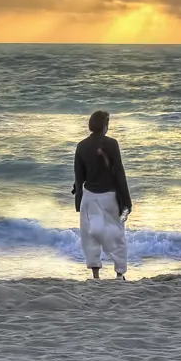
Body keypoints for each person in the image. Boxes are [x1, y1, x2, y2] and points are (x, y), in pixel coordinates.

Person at [72, 110, 132, 280]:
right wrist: (127, 202)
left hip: (90, 197)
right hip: (111, 198)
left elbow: (79, 177)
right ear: (105, 125)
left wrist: (78, 199)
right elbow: (119, 173)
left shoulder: (81, 146)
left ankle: (96, 275)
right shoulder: (112, 144)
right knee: (117, 234)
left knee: (90, 236)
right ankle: (119, 274)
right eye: (108, 122)